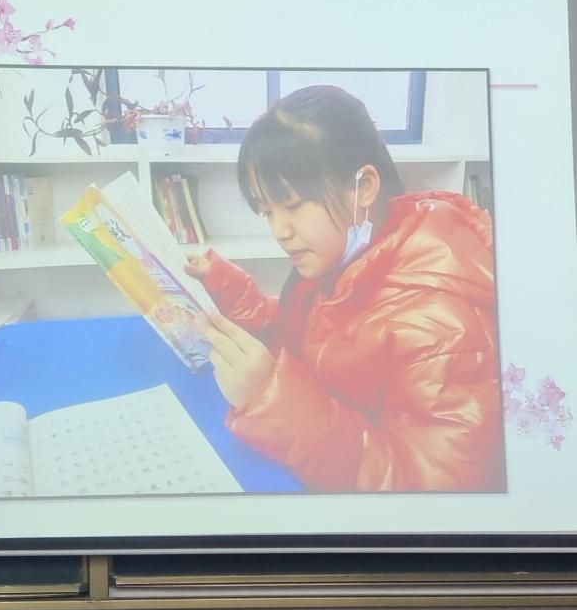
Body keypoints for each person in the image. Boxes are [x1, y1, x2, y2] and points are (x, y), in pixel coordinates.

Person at [185, 84, 504, 492]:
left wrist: (271, 399)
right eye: (267, 212)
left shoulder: (442, 328)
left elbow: (426, 493)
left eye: (293, 205)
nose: (279, 230)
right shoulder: (351, 258)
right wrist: (228, 292)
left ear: (364, 187)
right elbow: (307, 334)